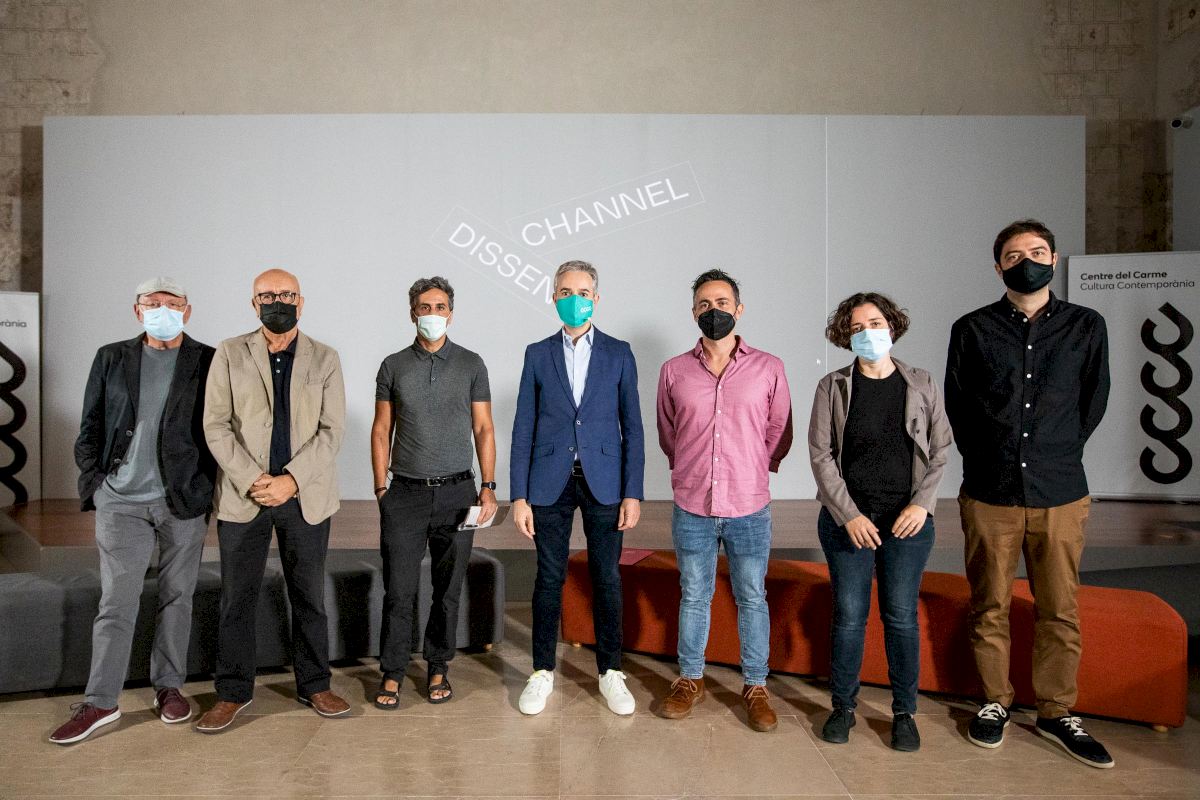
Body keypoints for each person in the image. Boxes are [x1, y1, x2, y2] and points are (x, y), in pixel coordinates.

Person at [946, 219, 1113, 768]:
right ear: (998, 267)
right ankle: (994, 701)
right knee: (989, 604)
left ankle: (1056, 711)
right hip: (990, 490)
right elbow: (959, 404)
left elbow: (1093, 398)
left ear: (1055, 259)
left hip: (1059, 489)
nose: (1027, 262)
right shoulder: (972, 328)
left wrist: (1056, 449)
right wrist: (989, 455)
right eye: (1015, 256)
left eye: (1037, 252)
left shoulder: (1086, 325)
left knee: (1060, 608)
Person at [50, 277, 216, 744]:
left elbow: (217, 428)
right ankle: (101, 701)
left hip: (181, 500)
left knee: (177, 597)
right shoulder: (111, 356)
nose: (162, 309)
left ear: (187, 310)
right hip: (120, 501)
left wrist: (205, 487)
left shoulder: (207, 360)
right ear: (137, 310)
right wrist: (98, 483)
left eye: (171, 303)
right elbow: (90, 424)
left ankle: (169, 687)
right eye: (152, 302)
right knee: (116, 602)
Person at [196, 268, 349, 732]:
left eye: (286, 294)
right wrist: (254, 478)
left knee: (309, 596)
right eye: (267, 295)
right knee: (236, 598)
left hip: (305, 497)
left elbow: (332, 430)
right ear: (253, 303)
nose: (276, 302)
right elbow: (215, 425)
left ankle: (315, 685)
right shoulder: (229, 352)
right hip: (245, 496)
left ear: (301, 302)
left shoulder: (325, 357)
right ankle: (232, 693)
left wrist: (292, 480)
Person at [808, 292, 952, 751]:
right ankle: (843, 708)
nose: (867, 333)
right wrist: (849, 515)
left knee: (901, 616)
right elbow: (820, 455)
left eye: (874, 323)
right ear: (845, 336)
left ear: (891, 325)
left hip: (906, 523)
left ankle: (904, 713)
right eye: (856, 328)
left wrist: (921, 505)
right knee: (850, 615)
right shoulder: (832, 386)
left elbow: (941, 448)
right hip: (849, 523)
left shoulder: (922, 383)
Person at [655, 269, 792, 732]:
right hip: (692, 503)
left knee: (752, 596)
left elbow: (779, 429)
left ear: (739, 308)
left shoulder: (769, 367)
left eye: (721, 303)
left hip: (749, 505)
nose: (713, 311)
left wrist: (751, 467)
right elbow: (668, 432)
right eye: (703, 305)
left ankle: (755, 686)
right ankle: (690, 679)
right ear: (693, 312)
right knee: (694, 594)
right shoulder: (673, 370)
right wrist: (691, 468)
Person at [510, 260, 644, 716]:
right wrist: (519, 496)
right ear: (554, 298)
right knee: (549, 577)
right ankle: (541, 671)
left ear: (596, 299)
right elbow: (523, 427)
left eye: (583, 293)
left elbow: (633, 427)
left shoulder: (619, 353)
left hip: (606, 482)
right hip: (549, 482)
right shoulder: (537, 353)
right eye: (565, 292)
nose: (574, 300)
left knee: (607, 577)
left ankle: (611, 671)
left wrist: (633, 491)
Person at [370, 276, 497, 709]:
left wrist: (488, 487)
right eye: (425, 307)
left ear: (451, 314)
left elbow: (484, 428)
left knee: (447, 589)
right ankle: (393, 671)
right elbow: (381, 428)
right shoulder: (392, 365)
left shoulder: (472, 364)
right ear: (413, 314)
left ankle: (439, 666)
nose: (433, 314)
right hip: (404, 494)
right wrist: (381, 488)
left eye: (440, 307)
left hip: (459, 493)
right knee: (398, 590)